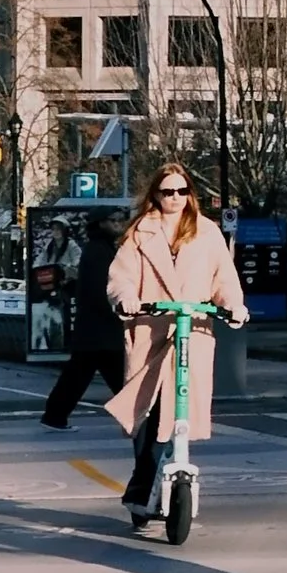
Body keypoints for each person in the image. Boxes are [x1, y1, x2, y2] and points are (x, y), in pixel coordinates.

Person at [104, 165, 246, 516]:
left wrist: (233, 305)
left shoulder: (207, 232)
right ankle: (142, 487)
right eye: (168, 192)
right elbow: (121, 277)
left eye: (182, 191)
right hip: (151, 332)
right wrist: (126, 298)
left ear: (190, 194)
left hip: (191, 332)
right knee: (146, 413)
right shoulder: (140, 232)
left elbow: (224, 278)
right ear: (155, 195)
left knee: (178, 410)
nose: (175, 198)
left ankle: (156, 482)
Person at [41, 212, 127, 429]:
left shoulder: (98, 248)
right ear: (101, 223)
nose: (118, 225)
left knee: (78, 375)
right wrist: (116, 312)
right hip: (101, 326)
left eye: (120, 220)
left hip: (93, 328)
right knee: (116, 376)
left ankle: (54, 416)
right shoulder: (99, 251)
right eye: (113, 220)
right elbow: (101, 288)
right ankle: (141, 416)